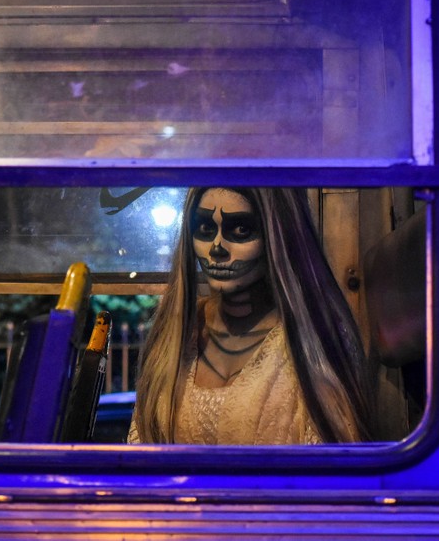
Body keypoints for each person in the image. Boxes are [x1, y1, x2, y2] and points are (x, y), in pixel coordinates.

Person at [128, 188, 374, 445]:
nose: (217, 248)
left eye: (240, 230)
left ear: (277, 234)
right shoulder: (177, 333)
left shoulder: (316, 338)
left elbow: (333, 470)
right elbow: (139, 450)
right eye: (204, 229)